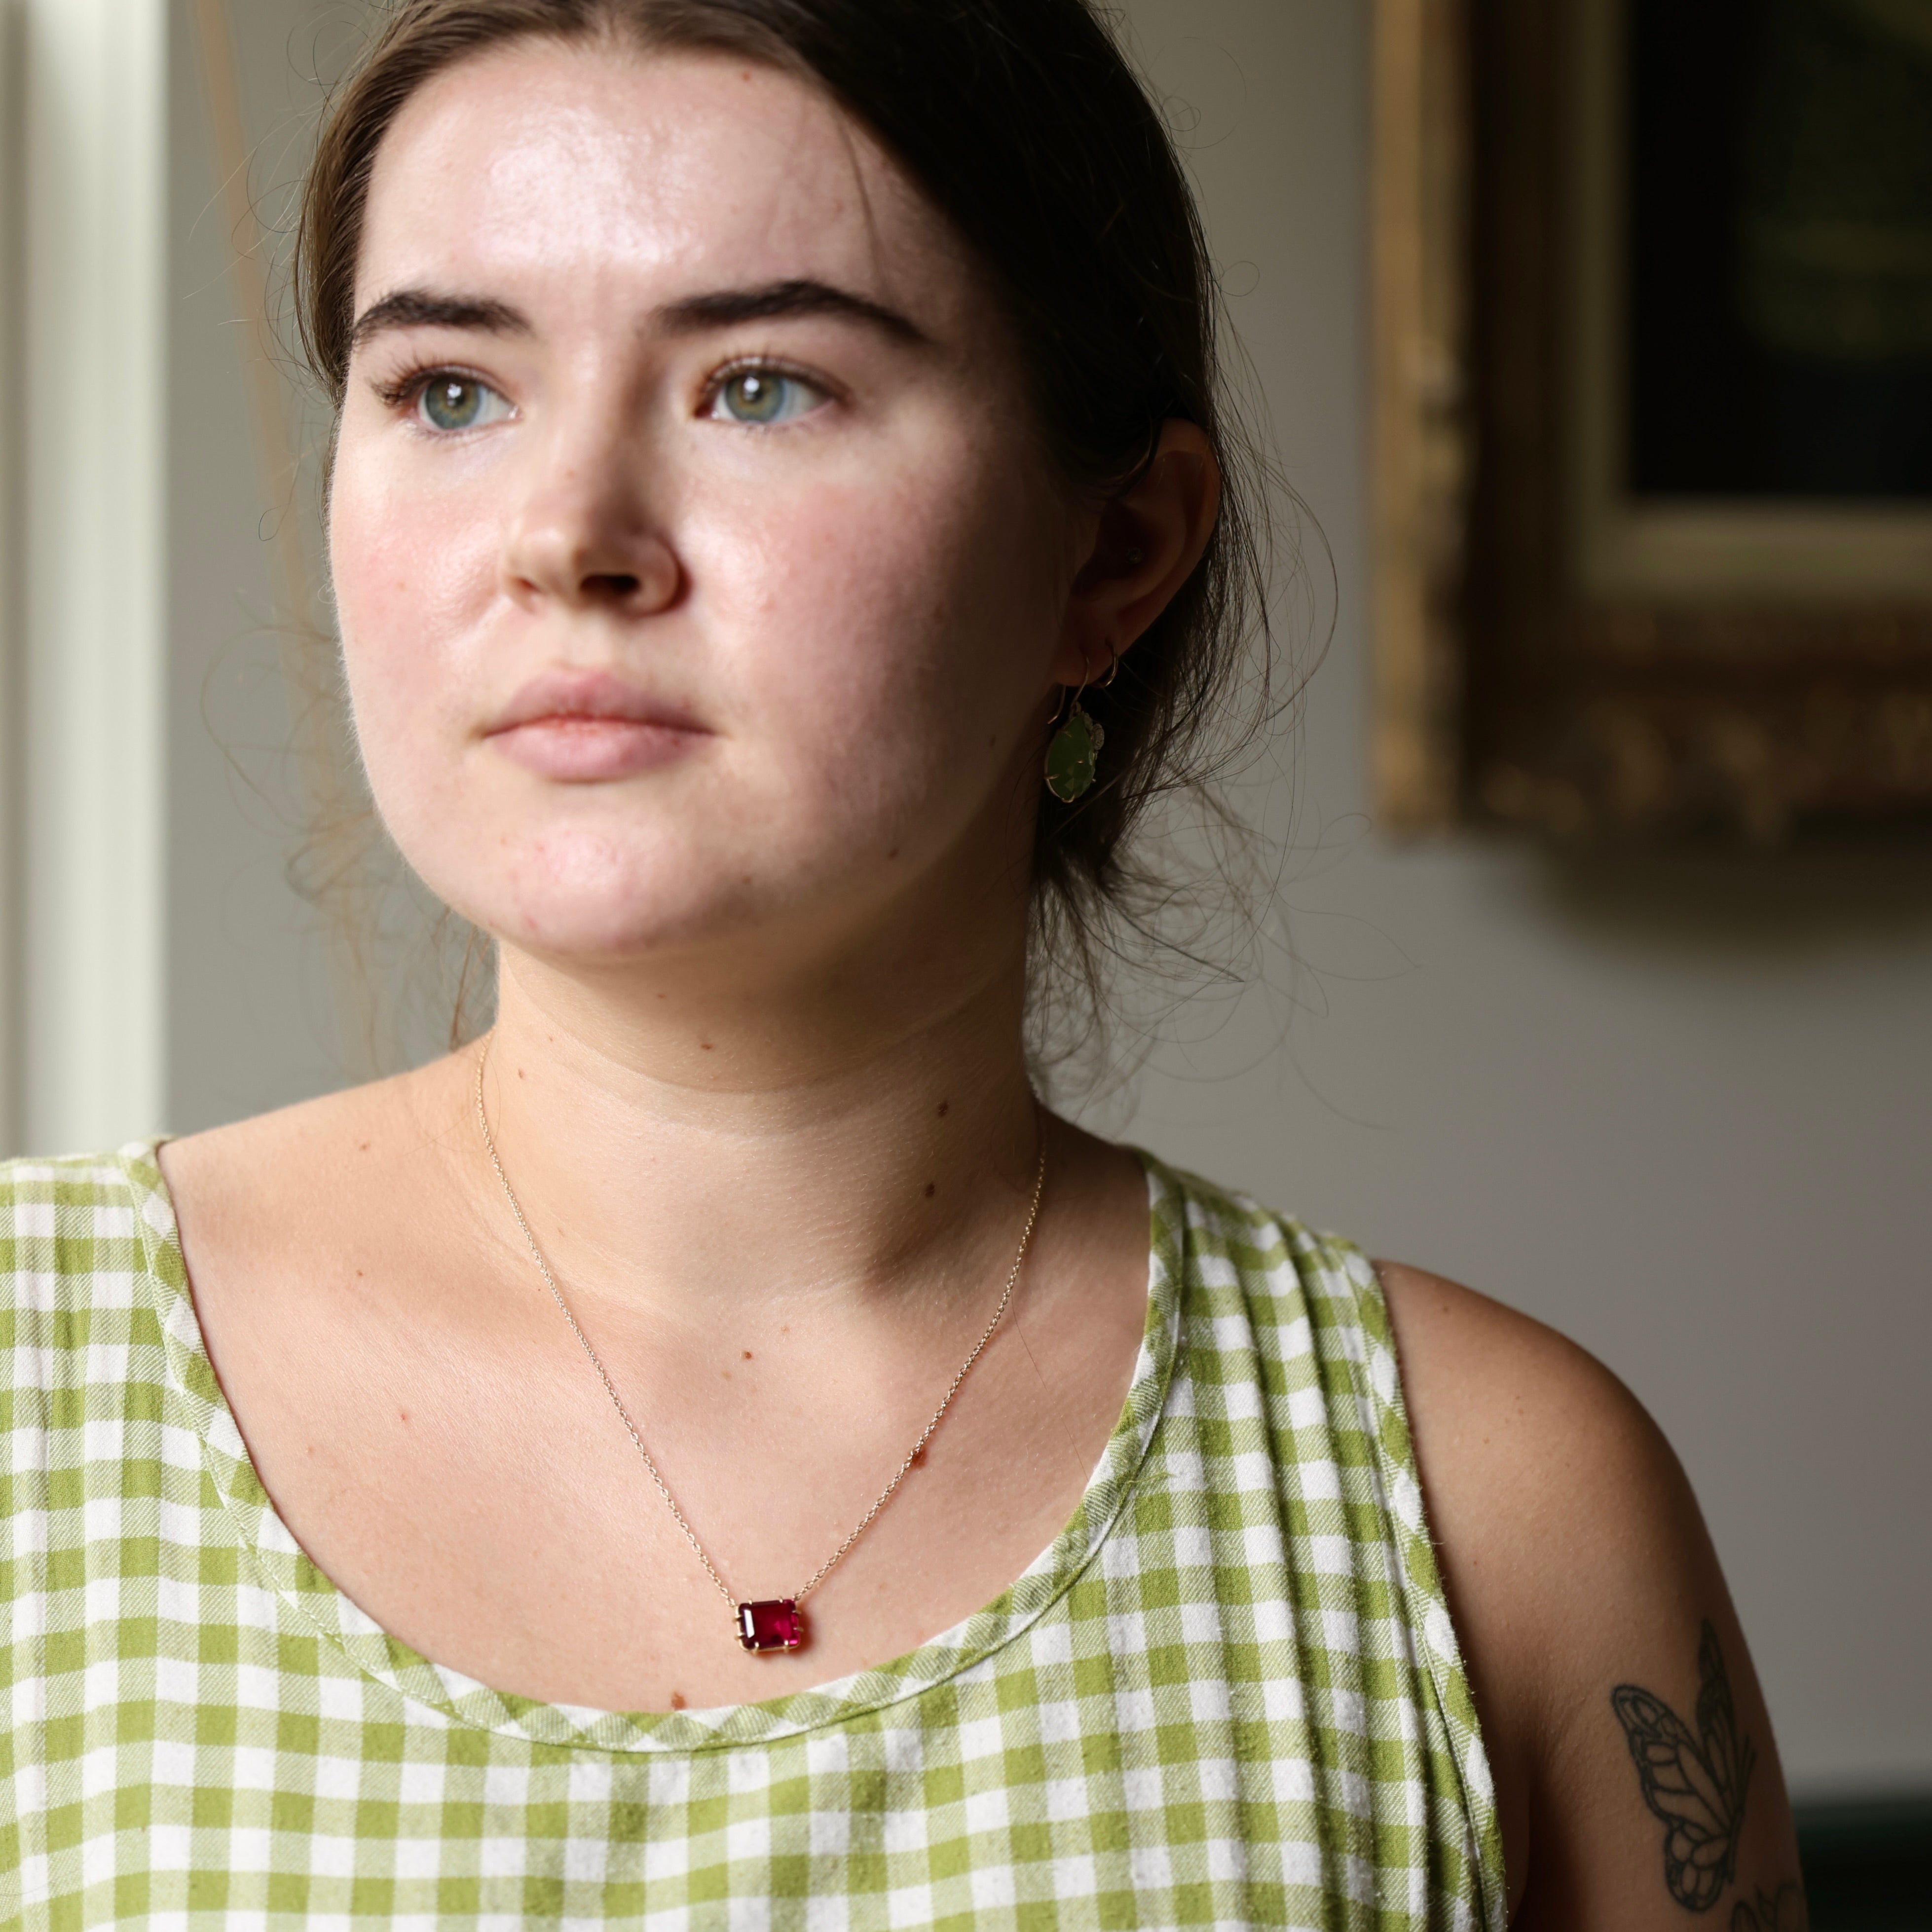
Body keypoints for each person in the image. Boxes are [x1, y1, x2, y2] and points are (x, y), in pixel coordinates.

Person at [0, 1, 1806, 1924]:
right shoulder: (28, 1397)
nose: (566, 535)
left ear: (1117, 550)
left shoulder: (1488, 1509)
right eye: (452, 389)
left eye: (762, 384)